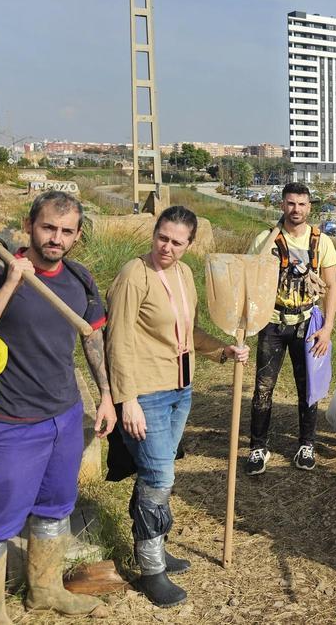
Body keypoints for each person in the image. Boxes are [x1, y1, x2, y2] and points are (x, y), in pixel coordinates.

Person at [0, 191, 116, 623]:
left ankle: (45, 591)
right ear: (29, 225)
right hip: (11, 424)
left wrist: (107, 397)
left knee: (55, 509)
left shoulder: (79, 279)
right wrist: (11, 285)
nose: (55, 238)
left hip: (65, 417)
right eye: (48, 227)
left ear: (76, 236)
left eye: (66, 231)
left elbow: (92, 339)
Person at [105, 206, 249, 607]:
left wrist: (223, 350)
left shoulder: (184, 275)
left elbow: (188, 334)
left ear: (189, 244)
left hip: (180, 390)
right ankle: (151, 568)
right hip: (146, 392)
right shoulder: (135, 275)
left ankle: (155, 544)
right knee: (159, 475)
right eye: (162, 237)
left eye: (176, 241)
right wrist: (126, 399)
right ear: (154, 233)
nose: (166, 247)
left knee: (156, 473)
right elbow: (116, 340)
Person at [246, 181, 336, 473]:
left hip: (306, 324)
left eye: (301, 204)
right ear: (282, 205)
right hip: (272, 323)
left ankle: (306, 444)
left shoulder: (321, 241)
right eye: (290, 203)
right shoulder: (266, 239)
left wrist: (328, 328)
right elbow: (249, 277)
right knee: (263, 388)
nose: (295, 209)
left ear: (309, 207)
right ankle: (258, 447)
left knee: (307, 387)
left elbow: (333, 286)